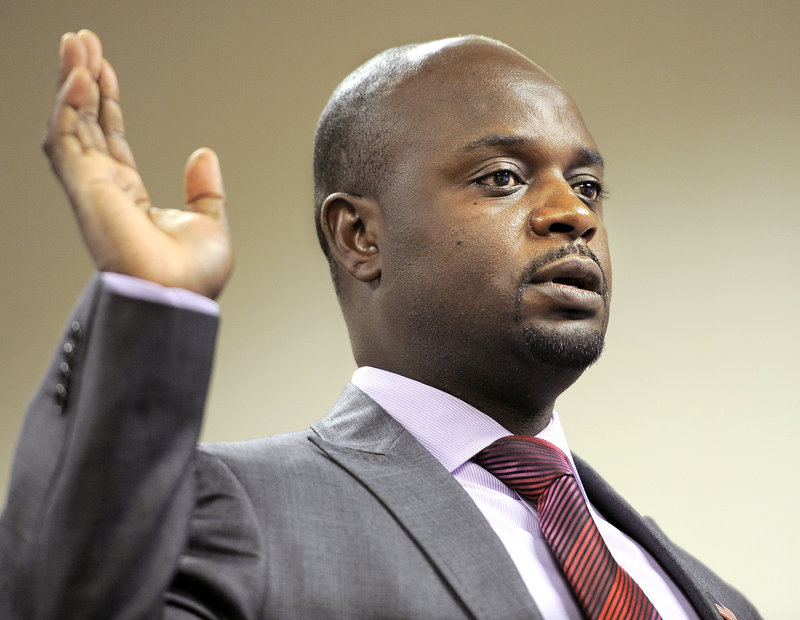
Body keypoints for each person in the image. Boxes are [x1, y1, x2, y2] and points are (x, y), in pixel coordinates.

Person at [0, 29, 760, 619]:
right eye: (502, 178)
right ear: (360, 237)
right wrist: (151, 304)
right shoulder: (236, 513)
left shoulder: (702, 589)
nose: (573, 213)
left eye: (588, 184)